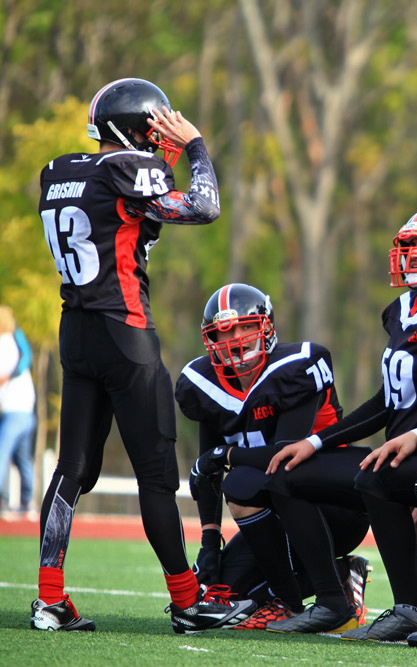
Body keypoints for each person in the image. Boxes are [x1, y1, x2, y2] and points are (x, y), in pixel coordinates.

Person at [32, 77, 254, 634]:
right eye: (152, 130)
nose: (159, 140)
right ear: (132, 130)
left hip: (75, 330)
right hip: (124, 332)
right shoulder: (125, 171)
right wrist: (197, 146)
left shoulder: (59, 171)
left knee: (71, 470)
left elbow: (126, 219)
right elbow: (205, 206)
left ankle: (49, 599)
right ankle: (186, 601)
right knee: (157, 477)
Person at [268, 206, 417, 641]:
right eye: (410, 248)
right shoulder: (399, 310)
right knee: (284, 473)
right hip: (396, 458)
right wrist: (316, 442)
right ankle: (332, 601)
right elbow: (388, 402)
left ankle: (409, 608)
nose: (414, 257)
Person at [177, 283, 371, 633]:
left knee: (245, 480)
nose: (236, 338)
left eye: (246, 326)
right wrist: (209, 542)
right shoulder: (203, 383)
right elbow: (208, 467)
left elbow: (284, 456)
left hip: (332, 507)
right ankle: (345, 576)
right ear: (210, 339)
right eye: (224, 331)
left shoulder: (295, 367)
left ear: (265, 326)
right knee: (225, 589)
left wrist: (227, 454)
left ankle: (291, 603)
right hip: (277, 513)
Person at [0, 306, 36, 514]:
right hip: (25, 409)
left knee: (3, 453)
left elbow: (24, 360)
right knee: (23, 459)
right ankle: (27, 502)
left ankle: (4, 500)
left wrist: (8, 376)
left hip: (16, 409)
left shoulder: (11, 339)